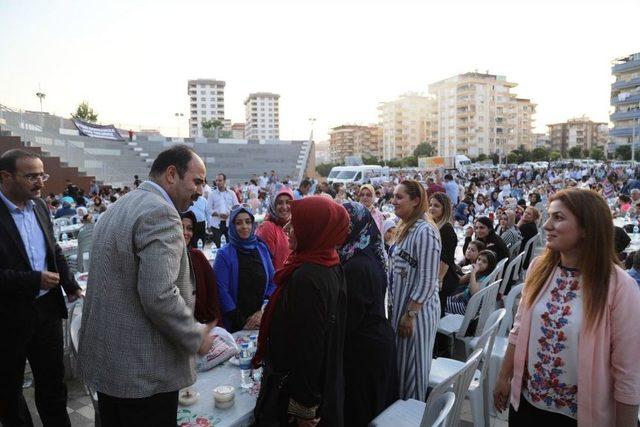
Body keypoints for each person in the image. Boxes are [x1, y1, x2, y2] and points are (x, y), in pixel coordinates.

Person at [78, 145, 215, 427]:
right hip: (144, 374)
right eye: (197, 181)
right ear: (171, 174)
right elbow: (159, 294)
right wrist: (196, 336)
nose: (201, 190)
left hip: (111, 367)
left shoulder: (120, 205)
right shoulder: (161, 213)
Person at [493, 188, 640, 426]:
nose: (546, 226)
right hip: (528, 407)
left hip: (579, 417)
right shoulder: (539, 268)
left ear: (587, 228)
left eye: (558, 218)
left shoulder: (620, 286)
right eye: (549, 216)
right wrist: (503, 376)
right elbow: (519, 330)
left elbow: (627, 373)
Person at [0, 149, 82, 427]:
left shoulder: (40, 207)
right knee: (9, 390)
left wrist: (69, 284)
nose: (40, 182)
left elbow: (53, 249)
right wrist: (33, 279)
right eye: (31, 176)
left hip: (46, 310)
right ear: (6, 177)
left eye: (42, 175)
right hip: (9, 316)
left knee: (53, 386)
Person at [253, 196, 349, 426]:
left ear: (313, 229)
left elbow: (311, 347)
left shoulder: (308, 278)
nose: (287, 228)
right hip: (321, 385)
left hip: (296, 390)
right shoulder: (329, 263)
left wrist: (304, 407)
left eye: (296, 223)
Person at [339, 202, 398, 426]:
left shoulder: (357, 266)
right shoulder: (366, 251)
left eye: (344, 225)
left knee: (366, 412)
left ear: (356, 226)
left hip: (366, 351)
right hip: (375, 341)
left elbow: (350, 319)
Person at [389, 179, 441, 400]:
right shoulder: (406, 227)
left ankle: (413, 416)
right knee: (401, 367)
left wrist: (410, 314)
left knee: (414, 370)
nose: (394, 201)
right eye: (394, 196)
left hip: (417, 314)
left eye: (399, 197)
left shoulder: (425, 231)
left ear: (416, 200)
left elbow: (429, 279)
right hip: (403, 309)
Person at [214, 206, 276, 333]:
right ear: (232, 225)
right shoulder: (224, 254)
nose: (244, 226)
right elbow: (221, 291)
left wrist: (263, 310)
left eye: (248, 222)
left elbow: (272, 282)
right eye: (238, 222)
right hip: (235, 323)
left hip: (261, 318)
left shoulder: (261, 249)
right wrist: (242, 322)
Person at [181, 211, 222, 324]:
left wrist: (213, 324)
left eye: (189, 228)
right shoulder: (167, 260)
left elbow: (212, 293)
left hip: (206, 325)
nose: (185, 233)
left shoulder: (197, 256)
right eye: (180, 227)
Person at [429, 192, 459, 315]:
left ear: (444, 209)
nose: (431, 208)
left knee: (437, 310)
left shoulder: (446, 229)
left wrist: (439, 279)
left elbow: (446, 258)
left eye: (436, 205)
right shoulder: (436, 225)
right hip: (438, 274)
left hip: (443, 277)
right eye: (430, 205)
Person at [445, 250, 497, 315]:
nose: (479, 262)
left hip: (468, 309)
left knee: (441, 303)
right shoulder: (479, 274)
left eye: (484, 262)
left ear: (489, 266)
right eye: (479, 259)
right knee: (444, 298)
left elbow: (474, 293)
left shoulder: (484, 279)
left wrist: (473, 273)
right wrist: (460, 294)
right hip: (464, 302)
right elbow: (467, 288)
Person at [256, 187, 294, 270]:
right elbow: (265, 265)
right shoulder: (267, 227)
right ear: (273, 205)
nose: (284, 207)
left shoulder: (293, 225)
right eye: (280, 203)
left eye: (288, 202)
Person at [207, 173, 239, 248]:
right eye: (217, 181)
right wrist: (218, 214)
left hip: (229, 223)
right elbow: (208, 209)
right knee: (218, 246)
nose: (218, 182)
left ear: (224, 181)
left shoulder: (231, 193)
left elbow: (236, 206)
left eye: (220, 180)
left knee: (230, 245)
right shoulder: (212, 194)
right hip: (216, 224)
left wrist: (229, 213)